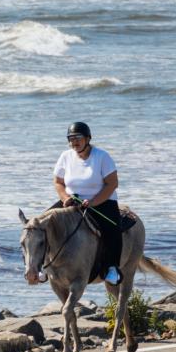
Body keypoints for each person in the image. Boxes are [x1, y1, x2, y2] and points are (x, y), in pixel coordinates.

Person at [51, 122, 122, 284]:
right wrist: (64, 198)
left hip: (101, 201)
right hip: (72, 201)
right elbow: (58, 182)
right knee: (42, 223)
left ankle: (112, 268)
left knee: (112, 228)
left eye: (78, 138)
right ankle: (41, 266)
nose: (74, 142)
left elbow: (112, 184)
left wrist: (93, 202)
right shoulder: (65, 156)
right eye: (71, 139)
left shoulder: (102, 156)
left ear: (88, 138)